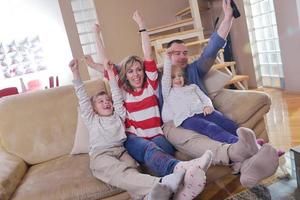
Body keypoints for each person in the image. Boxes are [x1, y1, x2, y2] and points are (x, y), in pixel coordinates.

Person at [85, 0, 279, 189]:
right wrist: (98, 57)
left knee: (221, 125)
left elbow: (213, 47)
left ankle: (248, 162)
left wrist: (227, 18)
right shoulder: (158, 78)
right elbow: (121, 68)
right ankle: (227, 158)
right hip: (173, 124)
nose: (182, 56)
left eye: (185, 52)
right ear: (165, 56)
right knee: (193, 139)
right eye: (175, 53)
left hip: (195, 116)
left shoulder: (194, 70)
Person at [90, 21, 214, 200]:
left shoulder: (151, 85)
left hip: (158, 135)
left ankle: (179, 189)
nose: (136, 74)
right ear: (125, 75)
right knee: (148, 148)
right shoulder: (122, 92)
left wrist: (141, 25)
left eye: (139, 70)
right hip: (134, 139)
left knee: (160, 148)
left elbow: (147, 52)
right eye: (131, 71)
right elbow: (106, 63)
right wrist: (96, 33)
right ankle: (184, 169)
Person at [69, 58, 187, 200]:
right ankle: (161, 183)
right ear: (93, 109)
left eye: (108, 101)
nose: (106, 103)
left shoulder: (119, 115)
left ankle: (149, 197)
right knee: (120, 173)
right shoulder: (92, 119)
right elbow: (82, 97)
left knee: (134, 169)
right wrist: (76, 73)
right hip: (101, 154)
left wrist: (111, 74)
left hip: (121, 151)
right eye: (100, 102)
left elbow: (116, 93)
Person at [161, 56, 285, 158]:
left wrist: (208, 106)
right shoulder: (168, 92)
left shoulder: (193, 87)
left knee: (226, 122)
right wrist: (167, 59)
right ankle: (244, 145)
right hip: (187, 119)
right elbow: (166, 77)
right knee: (211, 128)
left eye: (180, 75)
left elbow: (204, 98)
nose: (178, 79)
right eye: (173, 77)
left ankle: (256, 144)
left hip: (204, 111)